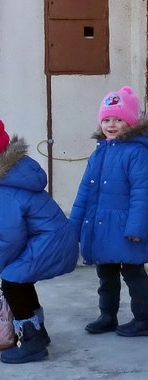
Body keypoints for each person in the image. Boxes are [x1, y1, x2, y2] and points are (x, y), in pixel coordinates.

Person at [0, 118, 78, 364]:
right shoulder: (18, 173)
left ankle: (32, 341)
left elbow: (11, 235)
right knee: (20, 278)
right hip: (56, 236)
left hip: (49, 240)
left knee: (12, 281)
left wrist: (3, 265)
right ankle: (39, 332)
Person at [70, 86, 148, 337]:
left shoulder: (137, 152)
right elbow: (85, 192)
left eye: (118, 119)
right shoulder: (99, 152)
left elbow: (142, 193)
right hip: (102, 225)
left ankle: (143, 319)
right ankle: (107, 315)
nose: (111, 125)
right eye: (106, 119)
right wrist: (75, 224)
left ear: (131, 122)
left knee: (134, 273)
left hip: (126, 227)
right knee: (106, 274)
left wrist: (137, 228)